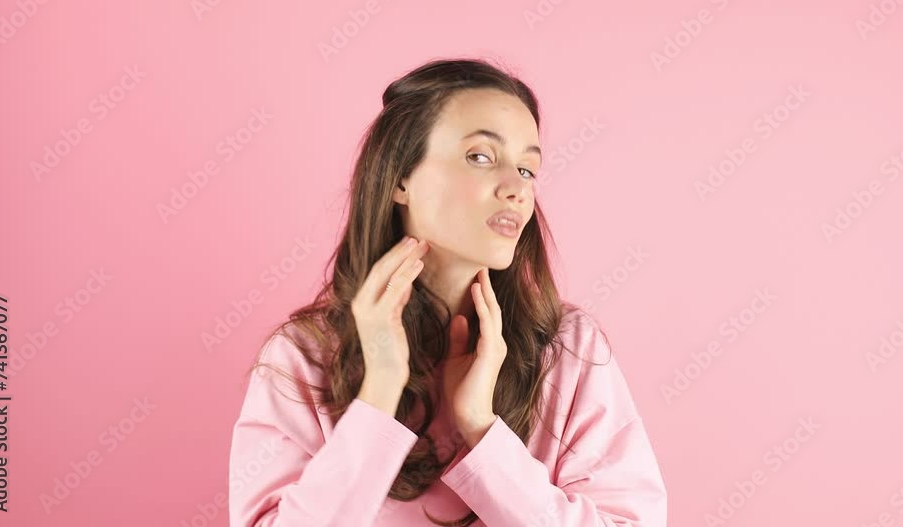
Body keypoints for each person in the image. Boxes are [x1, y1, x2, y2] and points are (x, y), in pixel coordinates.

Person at [227, 58, 667, 526]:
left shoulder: (569, 350)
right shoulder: (302, 358)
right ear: (400, 178)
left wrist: (481, 427)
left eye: (526, 169)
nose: (516, 189)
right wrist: (378, 396)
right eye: (480, 157)